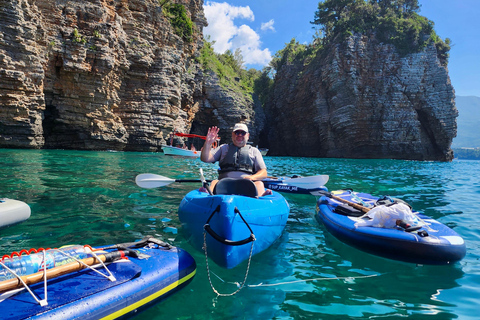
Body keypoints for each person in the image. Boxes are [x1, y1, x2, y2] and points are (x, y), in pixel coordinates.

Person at [200, 123, 272, 196]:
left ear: (248, 136)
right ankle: (208, 196)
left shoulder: (254, 151)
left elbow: (263, 172)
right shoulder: (223, 148)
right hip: (224, 184)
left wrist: (252, 177)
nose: (239, 135)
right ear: (232, 135)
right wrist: (208, 143)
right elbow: (205, 158)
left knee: (259, 183)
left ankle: (261, 198)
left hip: (247, 184)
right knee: (215, 182)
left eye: (243, 133)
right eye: (237, 133)